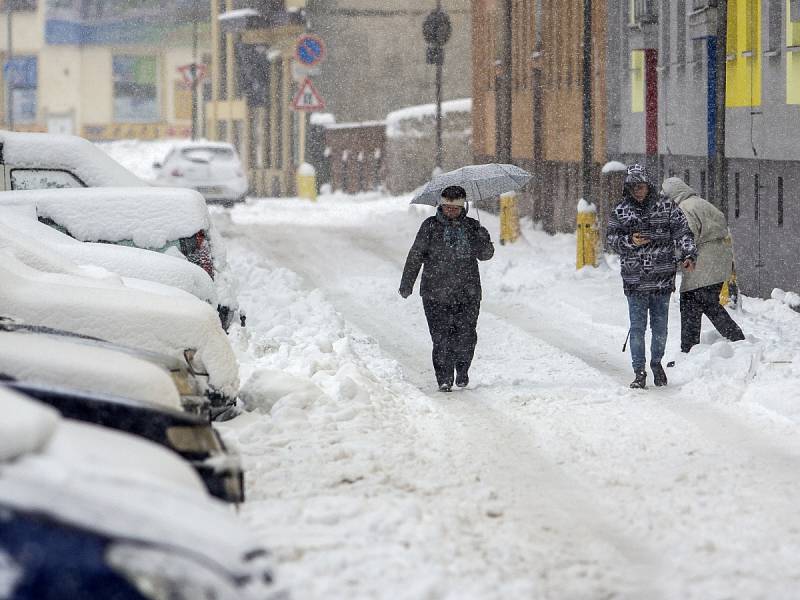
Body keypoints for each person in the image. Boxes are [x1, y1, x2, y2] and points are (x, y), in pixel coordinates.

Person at [607, 164, 697, 389]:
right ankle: (639, 370)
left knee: (660, 328)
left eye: (641, 185)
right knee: (637, 327)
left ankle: (656, 363)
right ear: (628, 187)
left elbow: (683, 231)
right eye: (633, 186)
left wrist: (688, 254)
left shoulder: (666, 206)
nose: (638, 190)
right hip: (634, 280)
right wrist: (630, 241)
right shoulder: (620, 210)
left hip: (662, 279)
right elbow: (610, 240)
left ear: (649, 185)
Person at [399, 185, 495, 392]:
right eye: (446, 207)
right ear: (440, 206)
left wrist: (483, 237)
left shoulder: (472, 227)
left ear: (463, 207)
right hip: (435, 292)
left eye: (455, 208)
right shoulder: (430, 226)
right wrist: (407, 283)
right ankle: (444, 377)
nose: (450, 211)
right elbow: (416, 255)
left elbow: (486, 255)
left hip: (467, 292)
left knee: (466, 335)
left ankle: (462, 370)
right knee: (441, 337)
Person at [660, 177, 745, 353]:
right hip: (719, 260)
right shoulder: (701, 203)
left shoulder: (683, 209)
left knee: (695, 303)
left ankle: (693, 349)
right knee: (705, 302)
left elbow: (687, 237)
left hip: (703, 263)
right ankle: (733, 340)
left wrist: (671, 255)